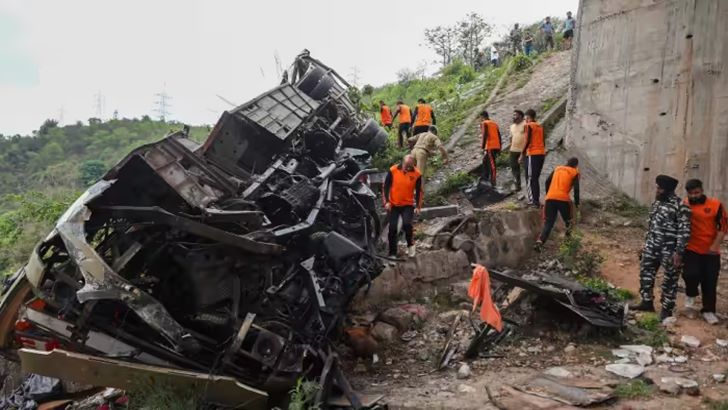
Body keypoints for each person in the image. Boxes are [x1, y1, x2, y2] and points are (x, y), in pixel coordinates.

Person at [632, 175, 691, 321]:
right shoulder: (656, 204)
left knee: (669, 280)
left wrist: (679, 252)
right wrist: (645, 245)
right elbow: (651, 226)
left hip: (670, 250)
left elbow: (685, 231)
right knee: (646, 274)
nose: (656, 190)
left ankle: (666, 309)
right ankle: (646, 302)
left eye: (659, 188)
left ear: (667, 190)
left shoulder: (681, 206)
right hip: (651, 247)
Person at [682, 179, 727, 324]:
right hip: (691, 248)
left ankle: (708, 311)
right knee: (690, 275)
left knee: (709, 281)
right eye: (691, 193)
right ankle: (690, 296)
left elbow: (723, 227)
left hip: (711, 251)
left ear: (702, 190)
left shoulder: (715, 205)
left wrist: (714, 247)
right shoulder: (684, 205)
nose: (694, 196)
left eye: (697, 192)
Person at [534, 157, 580, 250]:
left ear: (566, 162)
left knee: (548, 223)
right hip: (563, 199)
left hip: (550, 199)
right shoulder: (575, 172)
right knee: (569, 221)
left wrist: (548, 194)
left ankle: (540, 241)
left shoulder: (557, 168)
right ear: (576, 165)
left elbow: (547, 181)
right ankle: (568, 242)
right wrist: (577, 202)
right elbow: (576, 189)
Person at [382, 155, 423, 258]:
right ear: (403, 162)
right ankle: (392, 253)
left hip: (407, 205)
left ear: (413, 165)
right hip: (393, 204)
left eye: (410, 166)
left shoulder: (417, 174)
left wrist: (418, 206)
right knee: (392, 228)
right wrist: (386, 202)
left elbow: (419, 191)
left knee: (407, 224)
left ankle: (410, 245)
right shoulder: (393, 170)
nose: (407, 168)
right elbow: (386, 187)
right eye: (406, 165)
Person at [521, 109, 546, 207]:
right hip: (541, 154)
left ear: (528, 117)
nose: (525, 120)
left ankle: (533, 200)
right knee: (535, 178)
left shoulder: (528, 126)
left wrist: (522, 154)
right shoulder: (539, 126)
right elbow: (543, 141)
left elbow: (527, 140)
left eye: (525, 118)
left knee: (530, 178)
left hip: (532, 153)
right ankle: (536, 200)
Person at [479, 111, 501, 186]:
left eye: (480, 117)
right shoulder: (494, 123)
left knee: (492, 164)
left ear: (482, 117)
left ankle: (493, 181)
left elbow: (484, 135)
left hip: (490, 146)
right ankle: (485, 178)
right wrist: (500, 147)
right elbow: (499, 135)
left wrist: (482, 147)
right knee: (485, 161)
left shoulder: (484, 123)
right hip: (496, 145)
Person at [508, 110, 527, 191]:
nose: (513, 116)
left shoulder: (526, 124)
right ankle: (517, 186)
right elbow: (511, 137)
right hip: (513, 150)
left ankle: (529, 185)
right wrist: (510, 145)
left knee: (526, 168)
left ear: (521, 116)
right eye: (513, 115)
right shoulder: (512, 126)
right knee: (514, 168)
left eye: (515, 115)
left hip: (524, 150)